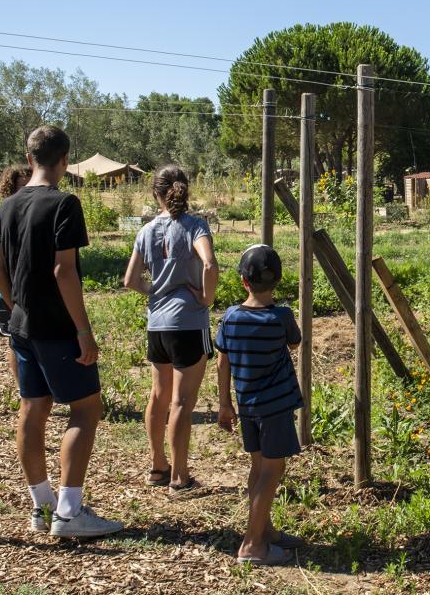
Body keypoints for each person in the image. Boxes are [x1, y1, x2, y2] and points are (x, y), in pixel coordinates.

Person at [0, 125, 122, 539]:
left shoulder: (7, 206)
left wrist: (18, 309)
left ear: (29, 158)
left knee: (32, 408)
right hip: (58, 328)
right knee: (85, 409)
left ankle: (41, 505)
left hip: (22, 327)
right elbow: (64, 271)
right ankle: (69, 512)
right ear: (65, 161)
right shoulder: (65, 203)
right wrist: (83, 330)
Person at [123, 165, 218, 494]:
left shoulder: (146, 231)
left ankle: (157, 466)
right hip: (189, 325)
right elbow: (208, 263)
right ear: (184, 191)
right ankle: (180, 477)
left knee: (158, 396)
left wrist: (155, 292)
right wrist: (206, 297)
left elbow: (130, 280)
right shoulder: (195, 226)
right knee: (181, 403)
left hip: (157, 325)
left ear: (155, 194)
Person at [215, 244, 304, 566]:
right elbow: (295, 343)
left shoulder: (231, 317)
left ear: (243, 281)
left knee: (258, 469)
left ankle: (267, 532)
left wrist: (224, 404)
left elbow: (222, 363)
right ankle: (252, 544)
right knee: (272, 470)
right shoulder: (281, 316)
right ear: (277, 281)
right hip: (276, 407)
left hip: (246, 406)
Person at [0, 165, 30, 387]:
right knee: (15, 341)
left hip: (30, 291)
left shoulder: (35, 212)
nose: (25, 190)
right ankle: (23, 388)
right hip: (6, 293)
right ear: (10, 188)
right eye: (21, 185)